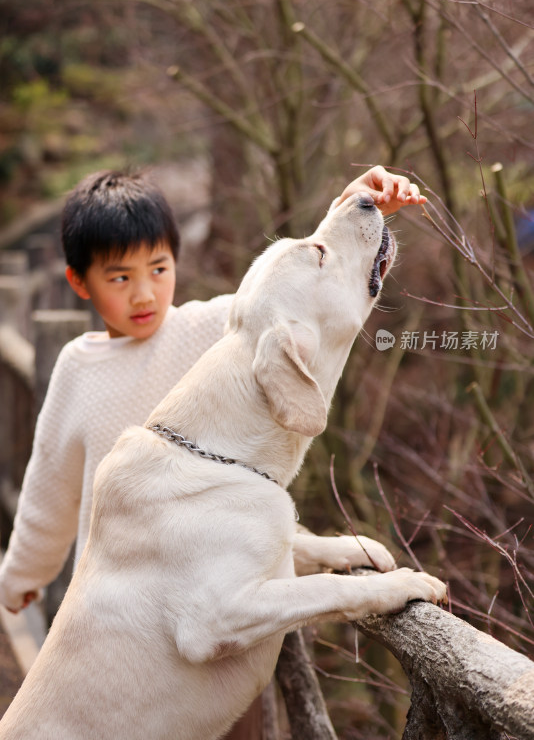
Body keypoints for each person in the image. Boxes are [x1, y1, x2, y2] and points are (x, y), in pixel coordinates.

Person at [0, 165, 424, 734]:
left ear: (177, 263)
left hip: (198, 659)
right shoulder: (76, 366)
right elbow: (47, 488)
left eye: (158, 269)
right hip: (132, 641)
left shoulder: (216, 329)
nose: (145, 291)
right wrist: (21, 573)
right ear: (80, 283)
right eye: (120, 277)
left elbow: (283, 291)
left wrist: (354, 204)